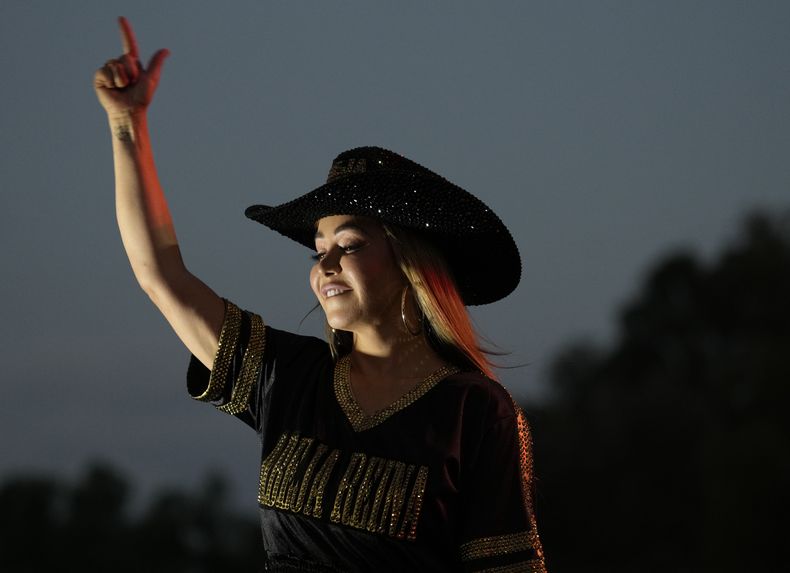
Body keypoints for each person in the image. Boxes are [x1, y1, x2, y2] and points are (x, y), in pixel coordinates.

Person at [95, 17, 548, 573]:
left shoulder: (475, 410)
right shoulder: (287, 376)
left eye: (350, 244)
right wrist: (126, 125)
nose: (325, 264)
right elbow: (161, 275)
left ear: (412, 265)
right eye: (318, 249)